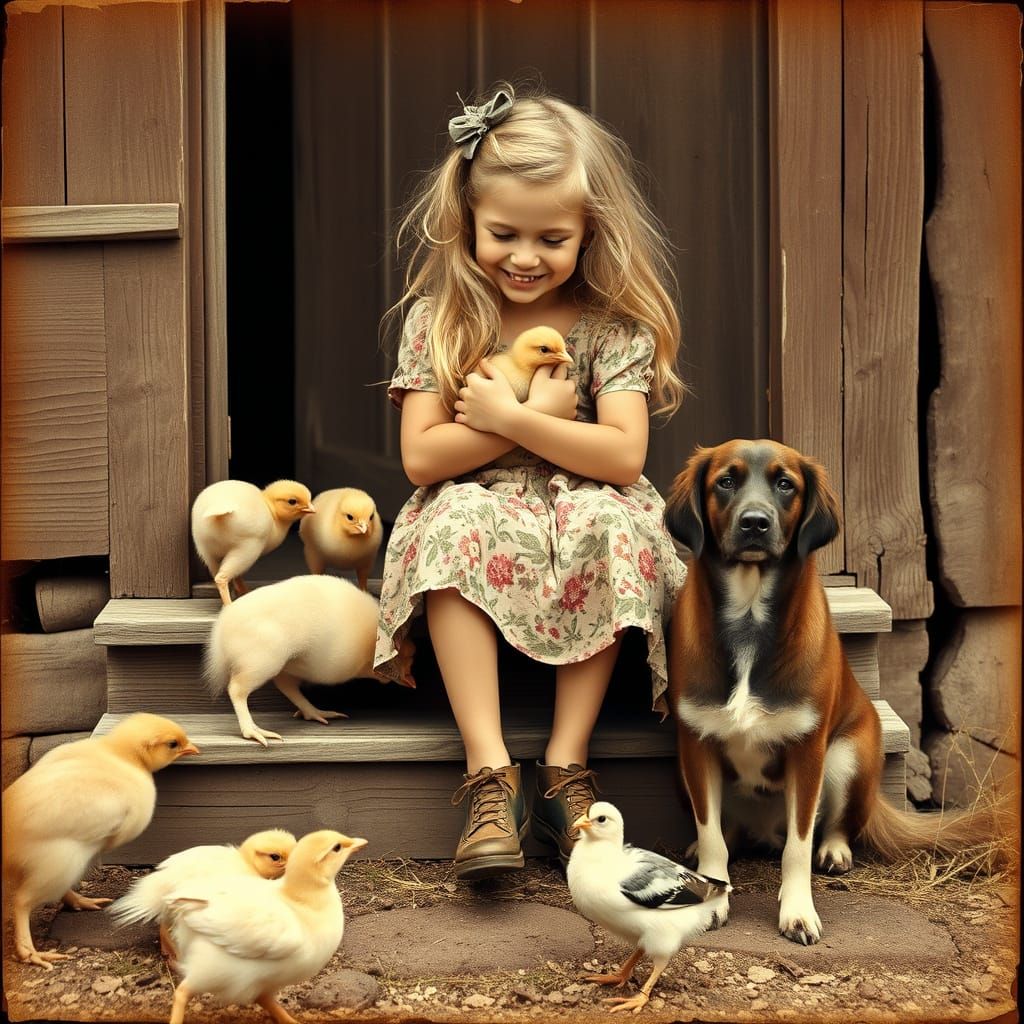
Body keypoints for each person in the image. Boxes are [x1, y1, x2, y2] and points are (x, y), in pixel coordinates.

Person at [374, 82, 688, 881]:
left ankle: (564, 772)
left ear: (590, 231)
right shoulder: (439, 318)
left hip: (584, 496)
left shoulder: (615, 326)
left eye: (552, 238)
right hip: (477, 503)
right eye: (503, 233)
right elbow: (421, 460)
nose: (523, 256)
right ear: (468, 222)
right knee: (448, 527)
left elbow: (622, 458)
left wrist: (517, 422)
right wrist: (509, 424)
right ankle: (489, 776)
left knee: (616, 526)